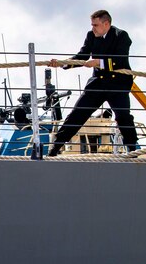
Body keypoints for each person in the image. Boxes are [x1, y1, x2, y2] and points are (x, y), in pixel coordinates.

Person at [47, 10, 137, 156]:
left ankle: (133, 150)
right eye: (92, 25)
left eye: (95, 25)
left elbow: (120, 60)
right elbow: (83, 55)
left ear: (106, 24)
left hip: (118, 84)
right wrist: (64, 63)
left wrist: (98, 62)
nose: (93, 28)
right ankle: (55, 148)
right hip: (98, 83)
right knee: (77, 113)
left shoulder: (121, 36)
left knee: (123, 116)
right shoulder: (91, 35)